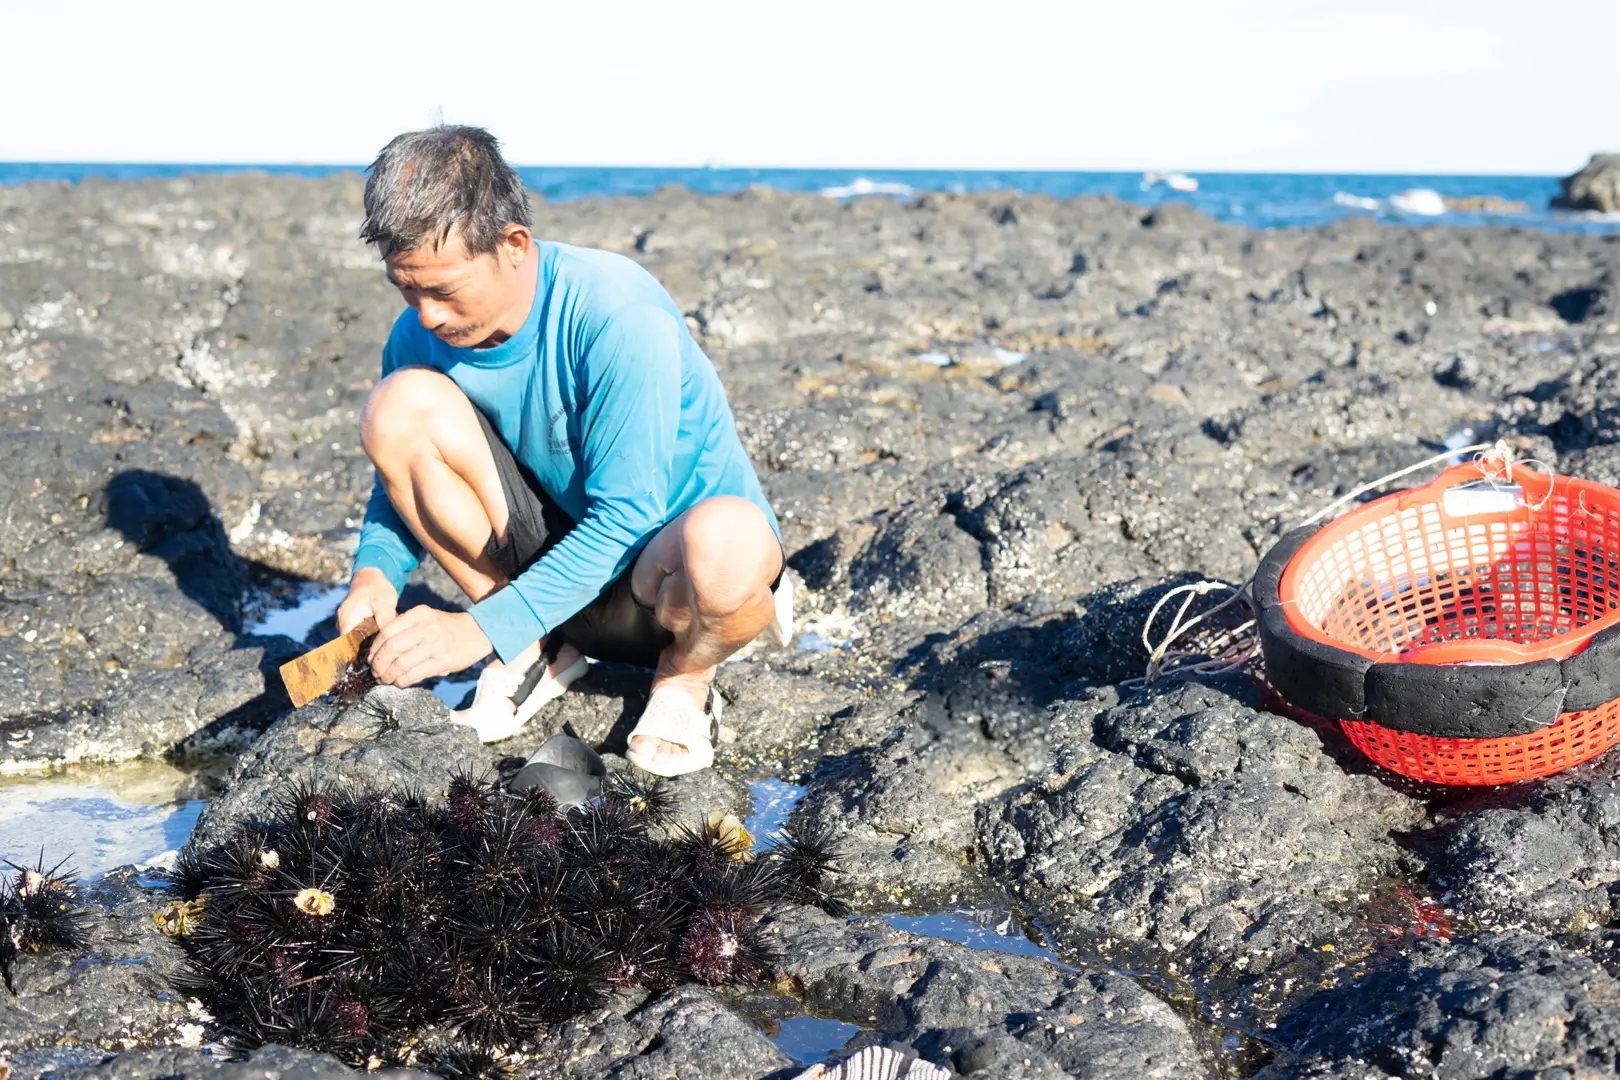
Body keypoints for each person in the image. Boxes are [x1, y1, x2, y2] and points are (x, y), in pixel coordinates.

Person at [334, 125, 790, 777]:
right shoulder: (418, 335)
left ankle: (685, 682)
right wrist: (375, 573)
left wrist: (478, 629)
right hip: (553, 577)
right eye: (407, 288)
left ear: (514, 246)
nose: (426, 314)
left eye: (443, 290)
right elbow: (396, 476)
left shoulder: (616, 315)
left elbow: (629, 516)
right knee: (396, 406)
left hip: (668, 587)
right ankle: (539, 649)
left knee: (731, 541)